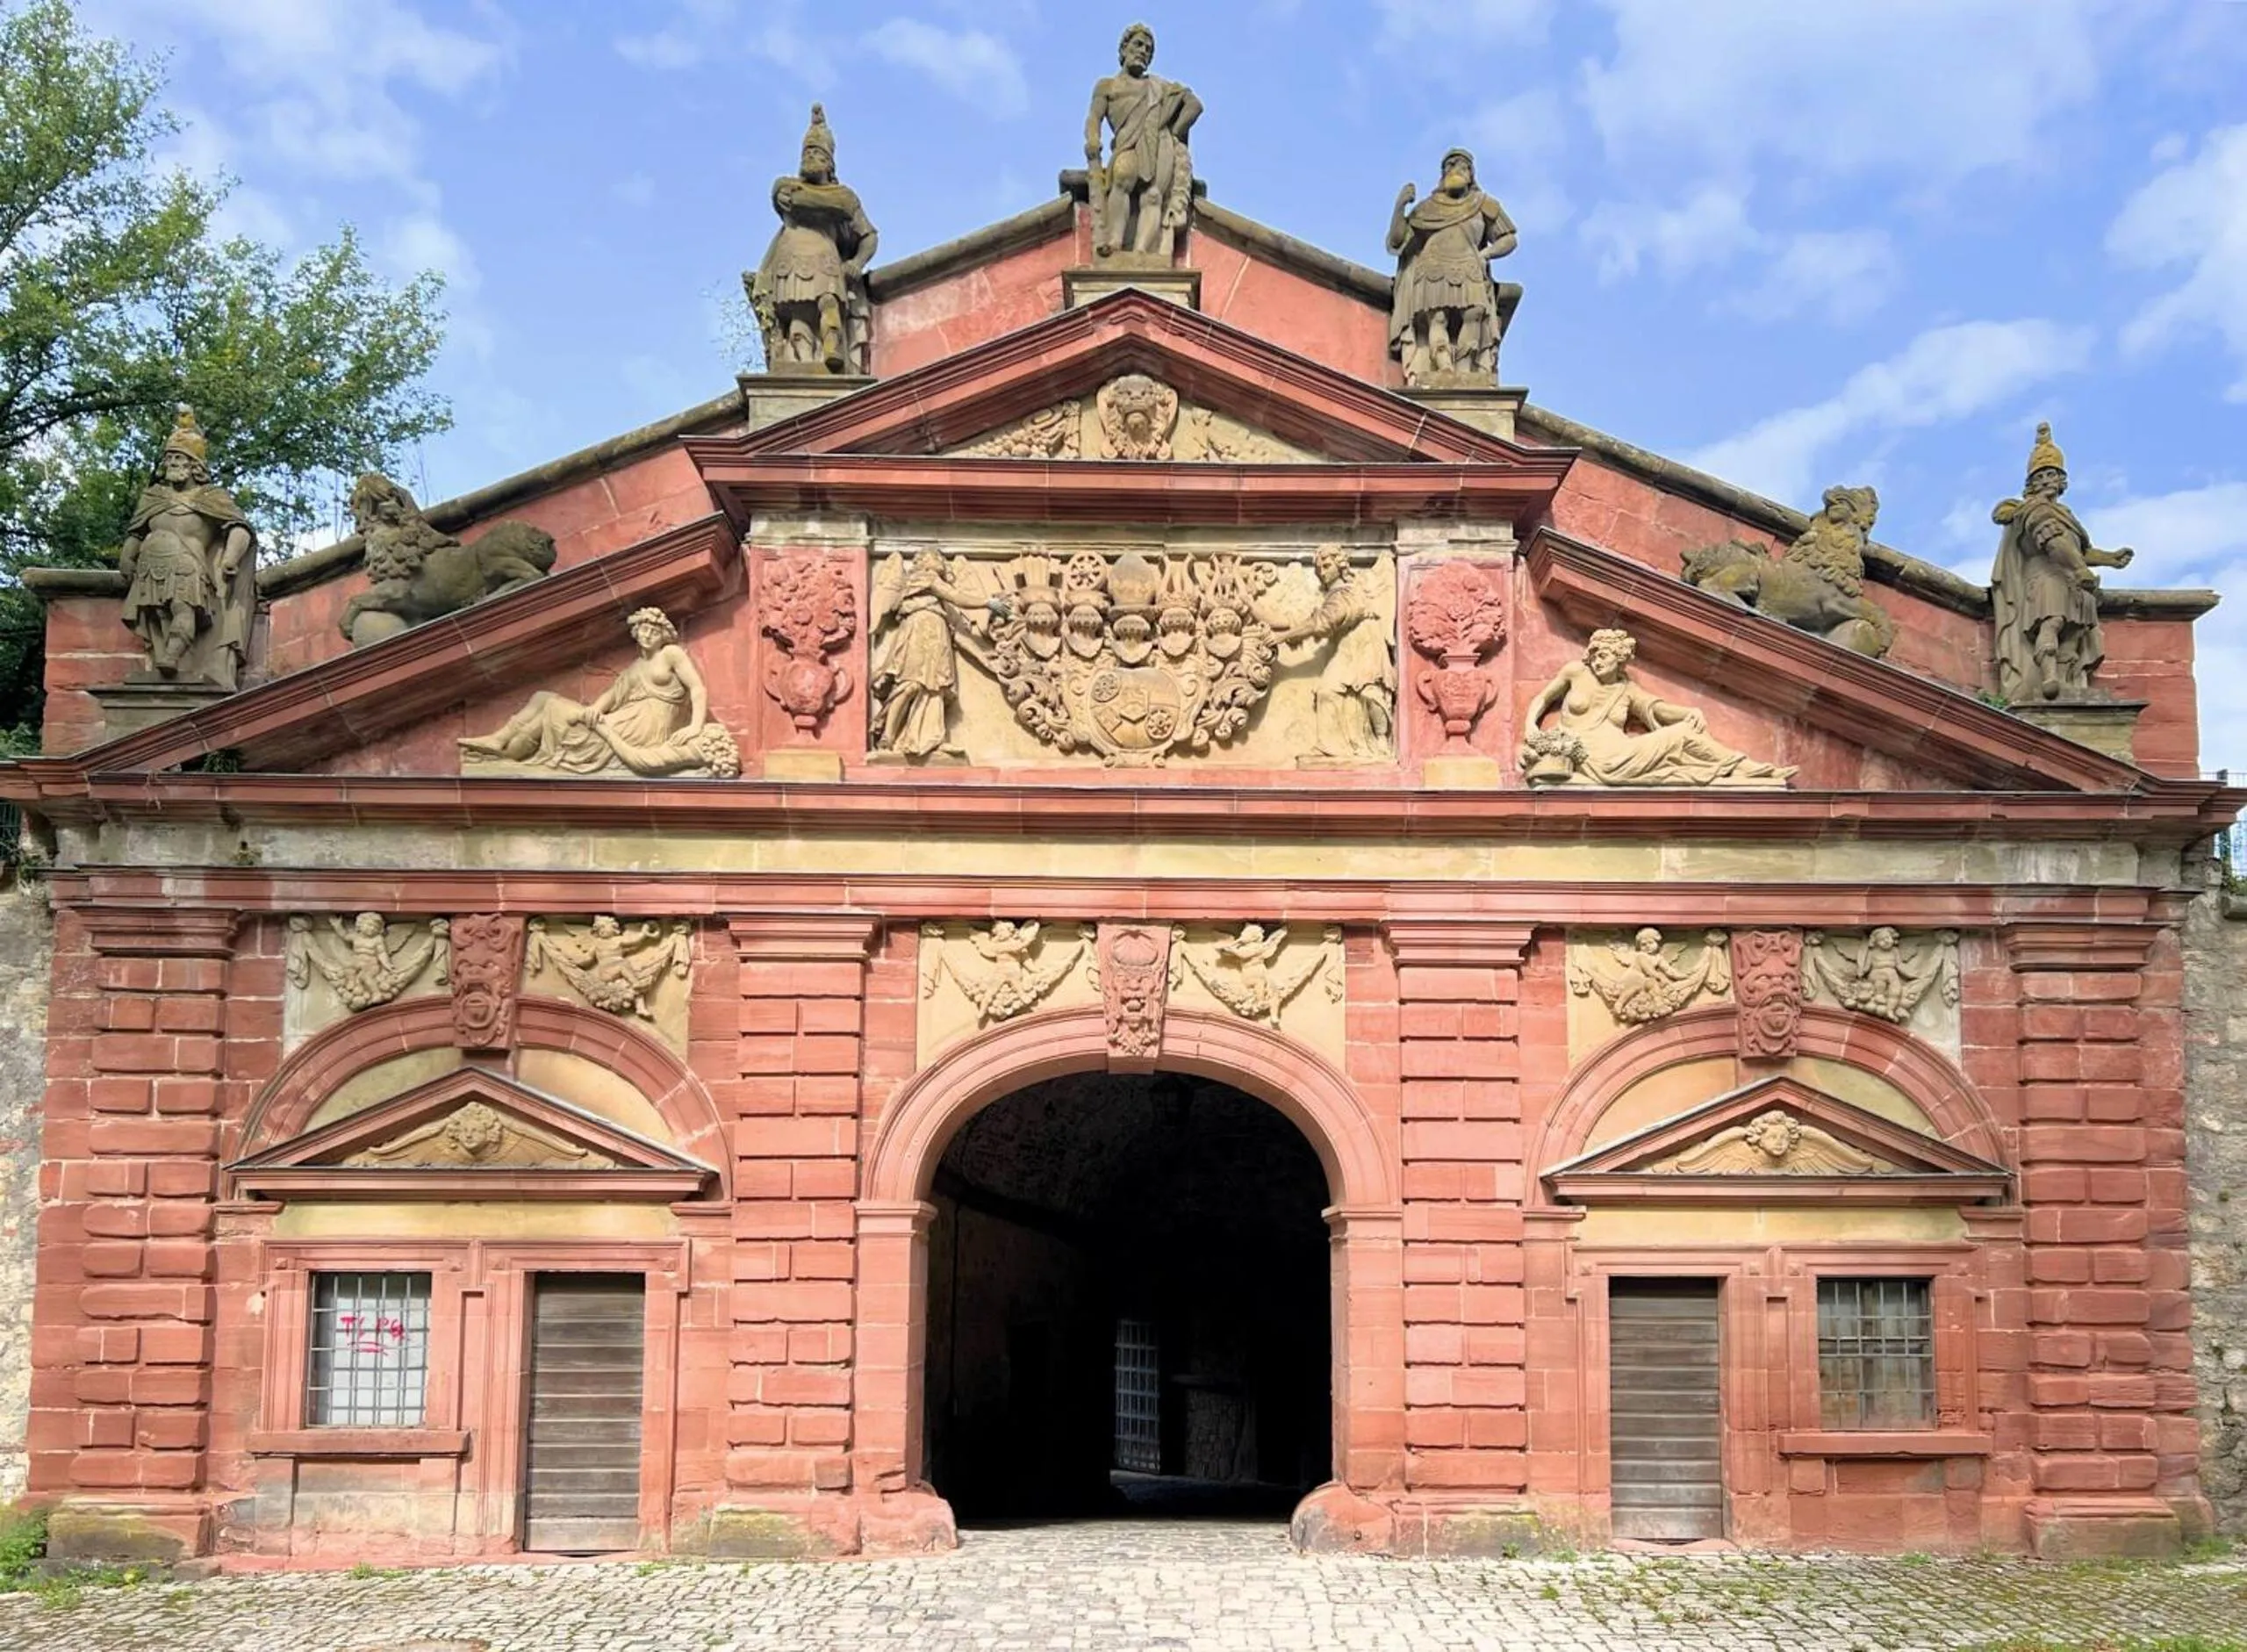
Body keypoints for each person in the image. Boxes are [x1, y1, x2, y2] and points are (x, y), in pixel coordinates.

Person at [1520, 629, 1795, 787]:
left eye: (1603, 656)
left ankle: (1746, 769)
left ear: (1619, 659)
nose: (1597, 661)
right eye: (1594, 656)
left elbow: (1658, 709)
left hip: (1622, 753)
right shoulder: (1575, 672)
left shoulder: (1626, 689)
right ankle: (1748, 771)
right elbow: (1542, 699)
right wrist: (1531, 728)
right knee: (1682, 736)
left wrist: (1689, 712)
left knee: (1684, 732)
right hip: (1591, 757)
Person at [458, 608, 719, 776]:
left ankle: (510, 751)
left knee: (552, 706)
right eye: (644, 629)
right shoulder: (636, 666)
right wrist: (593, 710)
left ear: (663, 636)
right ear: (636, 633)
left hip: (644, 727)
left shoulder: (671, 654)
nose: (648, 635)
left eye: (654, 631)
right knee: (542, 698)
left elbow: (697, 688)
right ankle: (501, 741)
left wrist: (695, 727)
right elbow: (612, 695)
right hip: (625, 719)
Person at [1991, 422, 2133, 702]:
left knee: (2074, 633)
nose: (2047, 480)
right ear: (2031, 484)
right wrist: (2080, 570)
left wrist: (2109, 558)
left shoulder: (2064, 512)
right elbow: (2053, 542)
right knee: (2052, 622)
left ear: (2062, 481)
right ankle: (2048, 677)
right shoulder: (2034, 510)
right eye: (2041, 476)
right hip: (2048, 577)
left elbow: (2078, 549)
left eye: (2052, 475)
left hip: (2074, 580)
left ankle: (2066, 682)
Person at [117, 406, 255, 684]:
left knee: (184, 608)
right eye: (169, 458)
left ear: (194, 465)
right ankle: (164, 659)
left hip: (187, 564)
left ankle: (172, 657)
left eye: (178, 458)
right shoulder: (153, 496)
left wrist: (230, 558)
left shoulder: (211, 497)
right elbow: (137, 532)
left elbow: (239, 528)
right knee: (158, 615)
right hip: (150, 566)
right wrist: (127, 556)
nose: (172, 463)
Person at [750, 104, 878, 374]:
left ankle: (832, 348)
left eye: (816, 153)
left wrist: (856, 262)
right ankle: (803, 363)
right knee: (798, 317)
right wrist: (832, 205)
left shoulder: (844, 197)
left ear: (829, 163)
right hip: (789, 260)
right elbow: (791, 199)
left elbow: (869, 236)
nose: (809, 157)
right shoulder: (787, 188)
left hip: (825, 258)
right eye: (806, 152)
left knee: (828, 302)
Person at [1388, 149, 1517, 385]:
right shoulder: (1427, 208)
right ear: (1443, 174)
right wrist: (1399, 207)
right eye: (1450, 165)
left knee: (1475, 313)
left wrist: (1486, 254)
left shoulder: (1484, 204)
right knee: (1438, 318)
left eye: (1462, 166)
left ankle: (1465, 369)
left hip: (1469, 266)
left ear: (1471, 174)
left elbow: (1508, 238)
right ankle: (1444, 367)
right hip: (1433, 268)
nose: (1456, 169)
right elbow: (1398, 241)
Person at [1084, 23, 1202, 259]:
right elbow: (1094, 117)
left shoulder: (1159, 87)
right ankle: (1115, 241)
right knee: (1123, 175)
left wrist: (1174, 133)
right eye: (1138, 45)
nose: (1143, 51)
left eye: (1148, 49)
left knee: (1153, 196)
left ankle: (1142, 251)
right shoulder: (1107, 86)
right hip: (1127, 144)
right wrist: (1093, 140)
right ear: (1123, 49)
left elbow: (1194, 105)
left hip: (1159, 143)